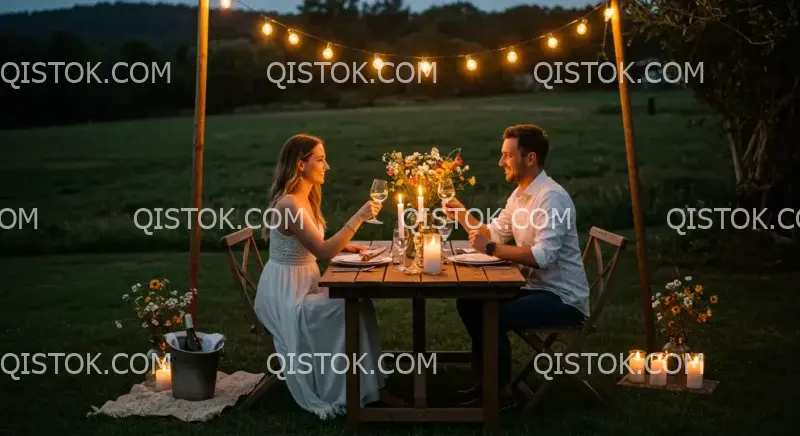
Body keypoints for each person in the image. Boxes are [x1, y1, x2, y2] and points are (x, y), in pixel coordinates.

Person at [254, 133, 403, 419]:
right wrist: (357, 218)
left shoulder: (304, 199)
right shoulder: (289, 205)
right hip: (286, 297)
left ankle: (370, 388)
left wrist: (343, 244)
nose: (327, 166)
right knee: (347, 306)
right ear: (300, 165)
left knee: (360, 303)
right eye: (320, 159)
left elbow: (312, 244)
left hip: (301, 285)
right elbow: (323, 252)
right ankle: (352, 391)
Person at [442, 124, 590, 406]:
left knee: (491, 314)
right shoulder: (521, 195)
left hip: (563, 298)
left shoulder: (551, 198)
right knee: (469, 301)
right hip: (535, 287)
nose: (501, 162)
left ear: (530, 158)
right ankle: (486, 383)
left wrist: (490, 248)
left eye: (507, 156)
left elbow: (542, 256)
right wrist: (461, 213)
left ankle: (499, 394)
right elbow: (494, 234)